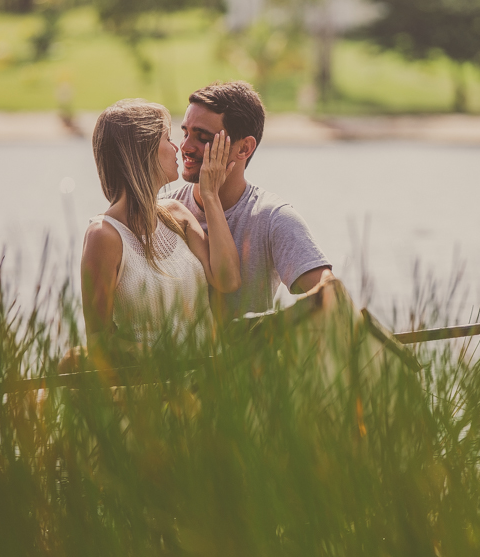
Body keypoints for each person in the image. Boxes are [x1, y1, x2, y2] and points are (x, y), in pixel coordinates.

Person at [80, 98, 241, 360]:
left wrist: (210, 196)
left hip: (209, 380)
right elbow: (99, 340)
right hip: (153, 387)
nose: (177, 147)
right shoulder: (104, 236)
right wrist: (166, 360)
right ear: (143, 150)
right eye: (168, 138)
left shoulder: (176, 215)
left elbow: (228, 279)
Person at [168, 81, 333, 318]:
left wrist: (273, 331)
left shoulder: (273, 218)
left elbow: (330, 295)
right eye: (185, 133)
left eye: (203, 138)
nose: (185, 147)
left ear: (244, 148)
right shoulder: (162, 209)